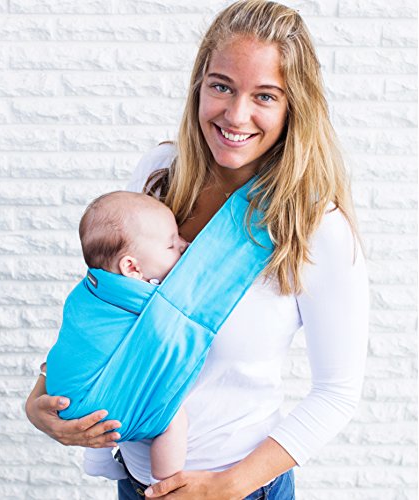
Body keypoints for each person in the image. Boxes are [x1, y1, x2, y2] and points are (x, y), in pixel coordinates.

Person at [25, 1, 369, 498]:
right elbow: (111, 302)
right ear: (199, 86)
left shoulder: (313, 226)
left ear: (295, 106)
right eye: (221, 86)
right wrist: (44, 395)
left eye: (265, 96)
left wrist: (228, 486)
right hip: (136, 484)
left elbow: (337, 393)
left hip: (240, 491)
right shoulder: (160, 174)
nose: (236, 115)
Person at [45, 191, 189, 484]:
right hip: (91, 402)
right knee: (173, 418)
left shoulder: (91, 288)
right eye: (172, 244)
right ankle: (166, 482)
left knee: (108, 393)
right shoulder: (146, 302)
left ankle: (96, 459)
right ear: (132, 268)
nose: (185, 245)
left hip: (62, 390)